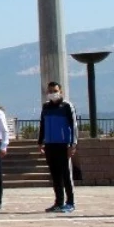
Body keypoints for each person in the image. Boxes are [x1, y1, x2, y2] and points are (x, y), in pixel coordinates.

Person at [37, 81, 78, 213]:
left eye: (55, 91)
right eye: (50, 91)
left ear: (60, 91)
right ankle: (58, 202)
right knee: (55, 175)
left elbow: (74, 126)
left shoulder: (67, 106)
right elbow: (42, 124)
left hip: (63, 144)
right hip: (50, 144)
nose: (52, 93)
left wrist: (73, 144)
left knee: (66, 174)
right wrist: (40, 141)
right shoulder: (46, 107)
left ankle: (70, 202)